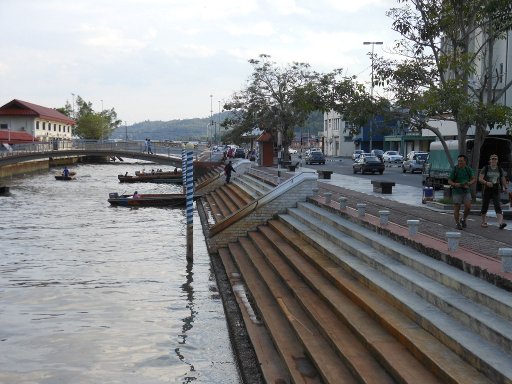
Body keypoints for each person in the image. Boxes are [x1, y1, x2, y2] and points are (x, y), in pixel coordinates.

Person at [448, 154, 476, 230]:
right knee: (457, 208)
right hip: (457, 191)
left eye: (461, 161)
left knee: (468, 207)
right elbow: (449, 180)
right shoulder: (455, 169)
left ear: (465, 161)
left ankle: (463, 219)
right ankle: (457, 223)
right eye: (459, 161)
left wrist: (469, 183)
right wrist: (455, 184)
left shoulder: (468, 169)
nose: (460, 162)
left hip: (466, 190)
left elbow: (474, 179)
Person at [478, 154, 507, 229]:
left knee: (497, 205)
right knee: (485, 205)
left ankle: (500, 223)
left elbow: (502, 178)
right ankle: (484, 222)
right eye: (492, 159)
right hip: (487, 188)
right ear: (490, 160)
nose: (494, 160)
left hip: (496, 188)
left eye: (495, 159)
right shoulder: (486, 168)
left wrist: (505, 187)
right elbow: (480, 178)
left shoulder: (499, 169)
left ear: (497, 161)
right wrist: (486, 183)